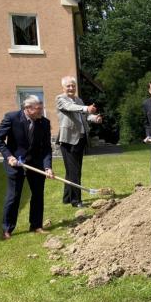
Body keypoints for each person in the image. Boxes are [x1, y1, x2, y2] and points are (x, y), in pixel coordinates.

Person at [0, 95, 54, 240]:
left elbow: (46, 148)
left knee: (38, 194)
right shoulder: (11, 118)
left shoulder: (44, 123)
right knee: (14, 195)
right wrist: (9, 156)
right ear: (27, 108)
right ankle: (7, 229)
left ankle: (36, 225)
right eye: (38, 109)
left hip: (35, 162)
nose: (41, 111)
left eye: (41, 108)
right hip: (15, 162)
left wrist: (47, 167)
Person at [56, 76, 102, 208]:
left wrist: (95, 118)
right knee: (74, 171)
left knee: (71, 170)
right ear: (63, 88)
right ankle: (76, 201)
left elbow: (86, 115)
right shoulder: (60, 99)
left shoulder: (78, 99)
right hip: (68, 140)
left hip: (81, 139)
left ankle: (67, 198)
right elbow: (70, 108)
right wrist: (86, 108)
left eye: (73, 86)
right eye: (68, 86)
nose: (71, 88)